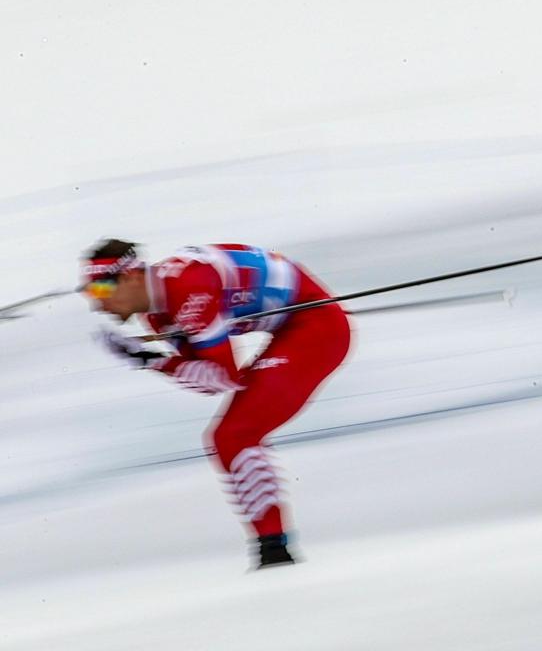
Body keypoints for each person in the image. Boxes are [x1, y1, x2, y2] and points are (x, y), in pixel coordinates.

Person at [81, 239, 353, 569]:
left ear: (130, 276)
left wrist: (149, 360)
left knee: (234, 436)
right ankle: (273, 549)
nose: (97, 305)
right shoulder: (156, 315)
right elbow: (207, 380)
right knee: (230, 438)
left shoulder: (185, 289)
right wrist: (151, 360)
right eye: (89, 294)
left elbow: (224, 375)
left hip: (316, 326)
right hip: (293, 325)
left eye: (100, 291)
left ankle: (275, 553)